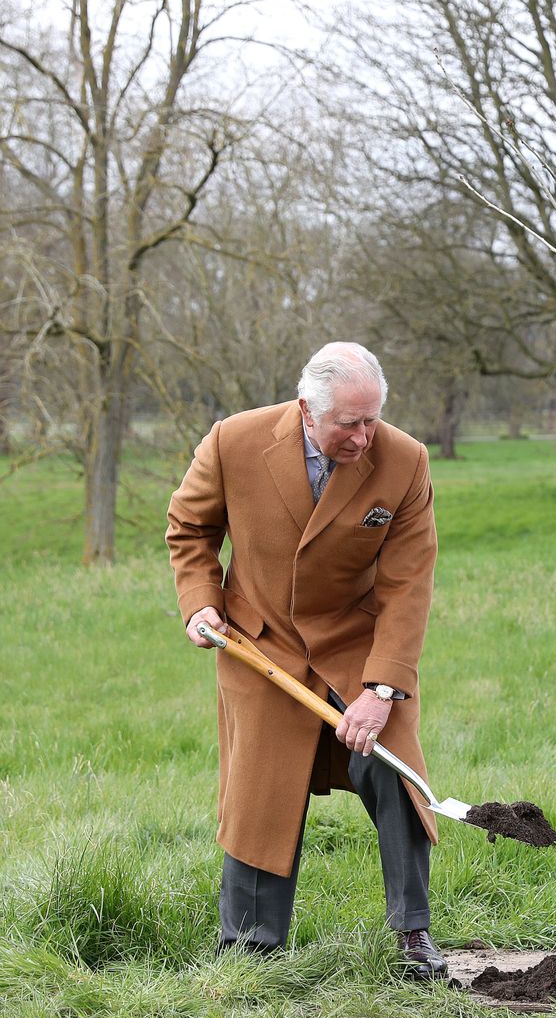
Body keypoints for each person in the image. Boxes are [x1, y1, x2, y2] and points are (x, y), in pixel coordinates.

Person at [166, 342, 446, 978]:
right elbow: (189, 527)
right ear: (305, 411)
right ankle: (250, 947)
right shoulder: (232, 442)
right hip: (258, 638)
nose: (363, 436)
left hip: (357, 643)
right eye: (349, 422)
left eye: (372, 418)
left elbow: (408, 583)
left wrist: (383, 690)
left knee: (395, 768)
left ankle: (413, 939)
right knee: (259, 789)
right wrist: (199, 602)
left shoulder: (404, 463)